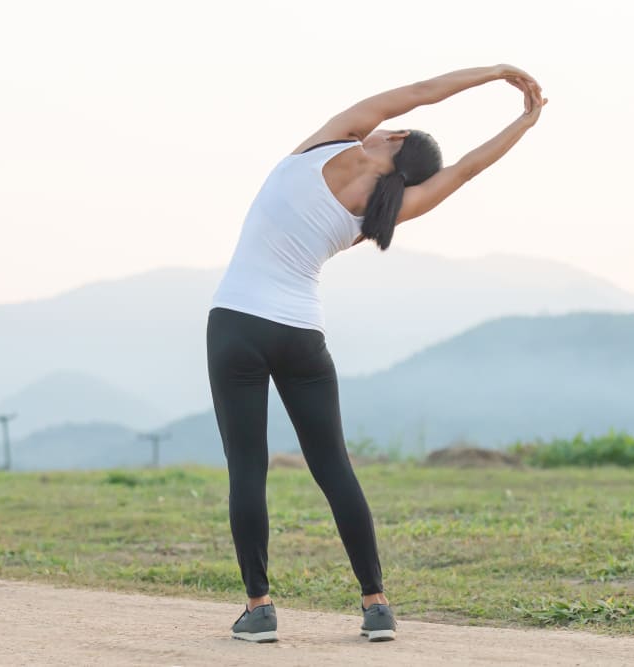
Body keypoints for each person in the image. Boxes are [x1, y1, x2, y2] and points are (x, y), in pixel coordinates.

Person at [206, 64, 546, 643]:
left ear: (392, 135)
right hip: (302, 335)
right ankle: (376, 603)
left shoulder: (330, 140)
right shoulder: (384, 210)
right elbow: (467, 169)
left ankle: (259, 607)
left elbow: (420, 93)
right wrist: (527, 119)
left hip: (237, 323)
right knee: (334, 466)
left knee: (247, 467)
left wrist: (495, 74)